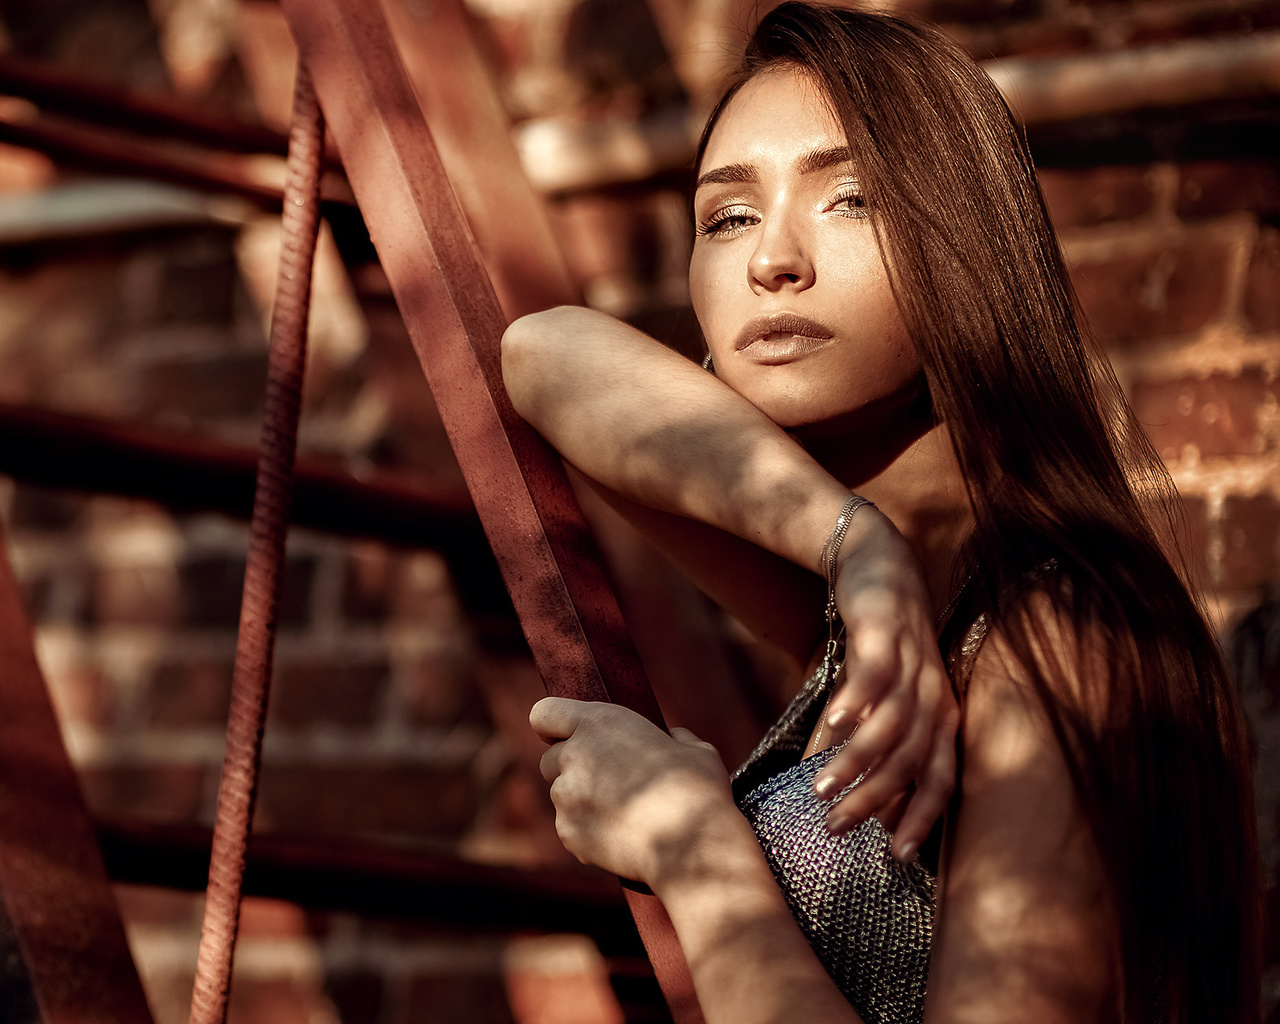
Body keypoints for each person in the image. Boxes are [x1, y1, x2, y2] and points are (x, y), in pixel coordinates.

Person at [500, 4, 1261, 1022]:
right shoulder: (887, 604)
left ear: (965, 252)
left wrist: (702, 861)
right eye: (727, 217)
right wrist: (852, 545)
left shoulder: (1059, 637)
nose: (772, 259)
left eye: (848, 199)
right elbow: (540, 356)